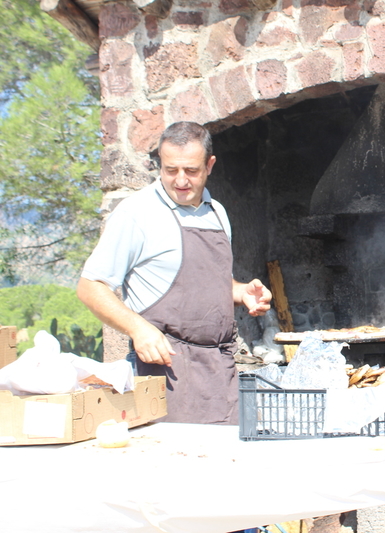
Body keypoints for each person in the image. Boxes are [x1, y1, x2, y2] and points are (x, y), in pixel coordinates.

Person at [77, 121, 271, 425]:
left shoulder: (217, 212)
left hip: (220, 372)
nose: (180, 180)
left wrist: (240, 291)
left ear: (210, 165)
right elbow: (90, 286)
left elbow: (210, 280)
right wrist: (137, 329)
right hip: (163, 374)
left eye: (191, 171)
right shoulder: (135, 213)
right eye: (170, 170)